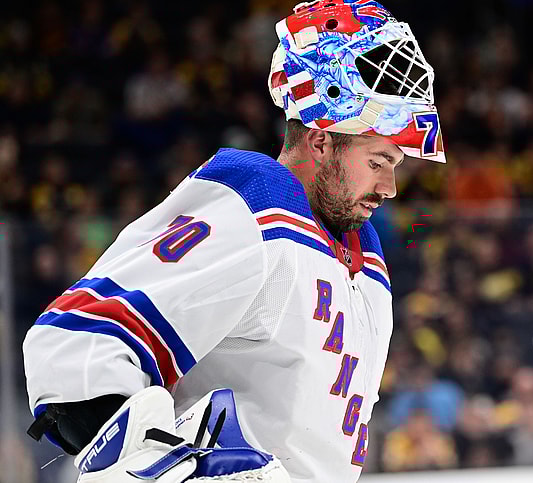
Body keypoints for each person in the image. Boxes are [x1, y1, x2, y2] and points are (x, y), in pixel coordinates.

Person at [22, 1, 445, 482]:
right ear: (322, 141)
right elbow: (76, 341)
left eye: (396, 166)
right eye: (377, 161)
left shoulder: (366, 256)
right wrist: (153, 462)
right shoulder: (260, 201)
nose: (390, 188)